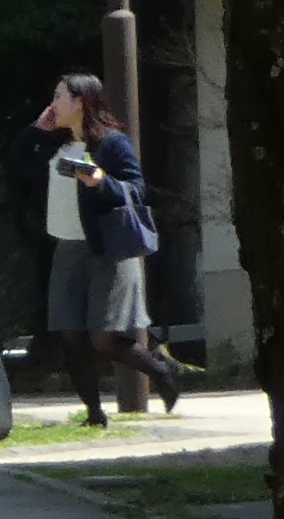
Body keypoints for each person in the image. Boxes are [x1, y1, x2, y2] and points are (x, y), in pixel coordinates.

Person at [36, 74, 184, 423]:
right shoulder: (53, 145)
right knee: (70, 335)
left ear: (80, 102)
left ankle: (162, 371)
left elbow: (136, 190)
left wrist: (100, 181)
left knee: (104, 337)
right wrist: (35, 129)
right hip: (67, 248)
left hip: (107, 246)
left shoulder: (112, 144)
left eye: (59, 97)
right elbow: (16, 165)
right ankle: (93, 413)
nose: (53, 104)